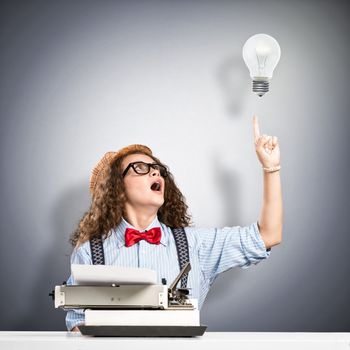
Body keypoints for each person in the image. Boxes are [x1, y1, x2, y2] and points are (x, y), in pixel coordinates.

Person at [65, 116, 283, 331]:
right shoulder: (89, 252)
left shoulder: (195, 245)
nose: (155, 171)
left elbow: (268, 235)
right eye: (140, 167)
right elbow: (78, 324)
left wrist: (271, 168)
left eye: (158, 168)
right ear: (117, 188)